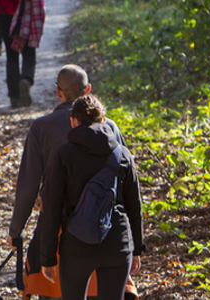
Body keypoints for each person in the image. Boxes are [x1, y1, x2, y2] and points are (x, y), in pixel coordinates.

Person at [7, 65, 138, 300]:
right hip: (110, 229)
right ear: (88, 90)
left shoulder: (41, 128)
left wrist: (16, 231)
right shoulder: (112, 129)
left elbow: (29, 187)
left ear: (58, 92)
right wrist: (135, 245)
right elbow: (129, 192)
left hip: (63, 231)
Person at [36, 95, 146, 300]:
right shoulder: (122, 154)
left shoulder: (64, 155)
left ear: (73, 122)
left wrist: (48, 257)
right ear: (103, 120)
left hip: (77, 245)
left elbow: (52, 206)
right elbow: (134, 204)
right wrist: (137, 248)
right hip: (117, 243)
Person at [0, 0, 44, 108]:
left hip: (3, 13)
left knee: (11, 56)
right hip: (24, 13)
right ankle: (26, 79)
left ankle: (14, 97)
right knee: (29, 51)